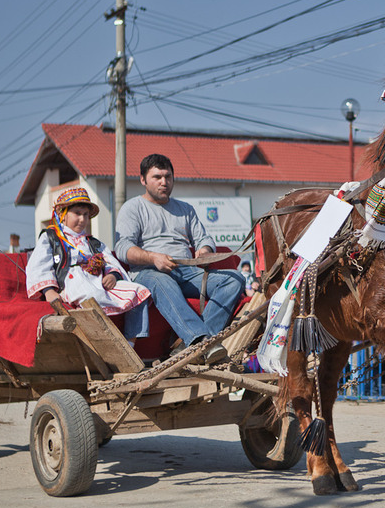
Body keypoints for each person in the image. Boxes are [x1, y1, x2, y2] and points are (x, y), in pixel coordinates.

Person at [116, 154, 245, 363]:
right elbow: (122, 247)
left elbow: (204, 238)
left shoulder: (186, 209)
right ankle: (201, 341)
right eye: (157, 177)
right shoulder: (132, 208)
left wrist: (203, 250)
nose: (163, 182)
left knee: (234, 279)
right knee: (162, 281)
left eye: (168, 177)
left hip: (186, 270)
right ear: (143, 180)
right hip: (148, 272)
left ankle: (188, 346)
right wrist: (153, 257)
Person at [26, 187, 150, 345]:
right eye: (77, 213)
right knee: (92, 295)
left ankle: (130, 343)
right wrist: (48, 290)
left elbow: (110, 261)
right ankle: (104, 343)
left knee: (140, 291)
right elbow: (39, 264)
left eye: (85, 215)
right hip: (72, 282)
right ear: (63, 215)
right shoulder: (51, 237)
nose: (82, 219)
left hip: (98, 282)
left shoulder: (93, 242)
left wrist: (113, 275)